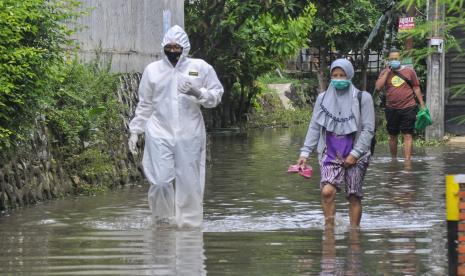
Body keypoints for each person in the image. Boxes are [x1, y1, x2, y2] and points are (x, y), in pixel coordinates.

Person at [128, 25, 224, 228]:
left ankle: (188, 226)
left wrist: (198, 93)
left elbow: (216, 95)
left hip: (190, 132)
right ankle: (162, 221)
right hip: (159, 131)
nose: (173, 51)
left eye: (177, 47)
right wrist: (135, 130)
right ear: (163, 47)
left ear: (185, 47)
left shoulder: (200, 67)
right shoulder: (152, 70)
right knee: (160, 181)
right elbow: (145, 103)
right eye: (169, 47)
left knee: (189, 182)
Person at [297, 58, 375, 229]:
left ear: (350, 76)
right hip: (330, 153)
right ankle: (329, 232)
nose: (339, 79)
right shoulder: (322, 99)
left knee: (353, 196)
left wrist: (355, 154)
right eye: (335, 75)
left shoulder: (364, 98)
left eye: (342, 75)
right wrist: (305, 153)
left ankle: (355, 235)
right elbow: (315, 126)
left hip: (357, 153)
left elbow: (368, 130)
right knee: (327, 192)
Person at [375, 48, 425, 161]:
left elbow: (416, 87)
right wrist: (387, 72)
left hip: (409, 107)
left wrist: (422, 104)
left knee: (408, 134)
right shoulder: (385, 72)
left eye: (396, 59)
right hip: (391, 108)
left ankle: (408, 161)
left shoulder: (410, 72)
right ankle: (394, 160)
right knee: (392, 135)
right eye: (391, 59)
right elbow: (378, 87)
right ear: (388, 60)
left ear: (401, 59)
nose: (394, 61)